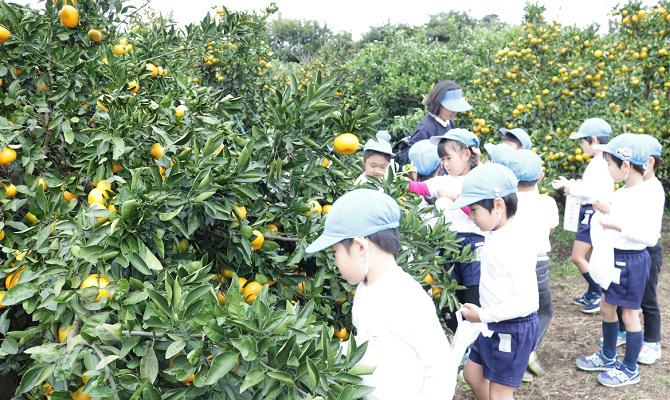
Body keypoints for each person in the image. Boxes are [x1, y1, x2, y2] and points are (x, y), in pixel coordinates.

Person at [305, 189, 456, 399]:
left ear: (359, 247)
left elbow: (440, 367)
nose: (335, 262)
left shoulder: (404, 296)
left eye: (335, 252)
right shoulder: (365, 288)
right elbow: (370, 343)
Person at [576, 133, 656, 388]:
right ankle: (608, 356)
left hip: (631, 262)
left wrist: (616, 224)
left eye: (609, 163)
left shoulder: (646, 194)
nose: (607, 169)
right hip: (614, 258)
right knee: (607, 306)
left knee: (630, 314)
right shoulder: (623, 193)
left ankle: (630, 368)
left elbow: (649, 236)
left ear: (626, 165)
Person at [454, 163, 539, 400]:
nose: (472, 219)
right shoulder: (495, 234)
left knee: (500, 393)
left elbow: (526, 301)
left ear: (498, 205)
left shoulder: (514, 244)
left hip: (513, 327)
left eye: (474, 211)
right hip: (493, 322)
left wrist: (482, 315)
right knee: (472, 373)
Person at [485, 144, 558, 383]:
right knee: (542, 310)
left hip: (511, 262)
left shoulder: (509, 203)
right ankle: (528, 350)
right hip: (539, 264)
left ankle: (516, 354)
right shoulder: (546, 202)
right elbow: (551, 229)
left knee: (515, 309)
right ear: (541, 176)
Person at [610, 134, 665, 365]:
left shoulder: (653, 189)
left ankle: (652, 341)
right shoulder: (632, 188)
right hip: (629, 246)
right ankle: (625, 331)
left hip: (648, 249)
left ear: (650, 161)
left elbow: (648, 230)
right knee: (626, 296)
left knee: (647, 296)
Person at [552, 118, 614, 314]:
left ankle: (598, 293)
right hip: (593, 212)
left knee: (577, 257)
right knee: (589, 256)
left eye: (582, 141)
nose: (581, 146)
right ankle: (592, 292)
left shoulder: (598, 163)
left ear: (593, 140)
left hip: (591, 213)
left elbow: (590, 191)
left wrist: (569, 187)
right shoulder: (603, 161)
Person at [408, 80, 472, 146]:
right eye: (450, 108)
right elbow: (412, 153)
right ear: (438, 104)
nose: (454, 112)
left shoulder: (449, 122)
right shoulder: (425, 129)